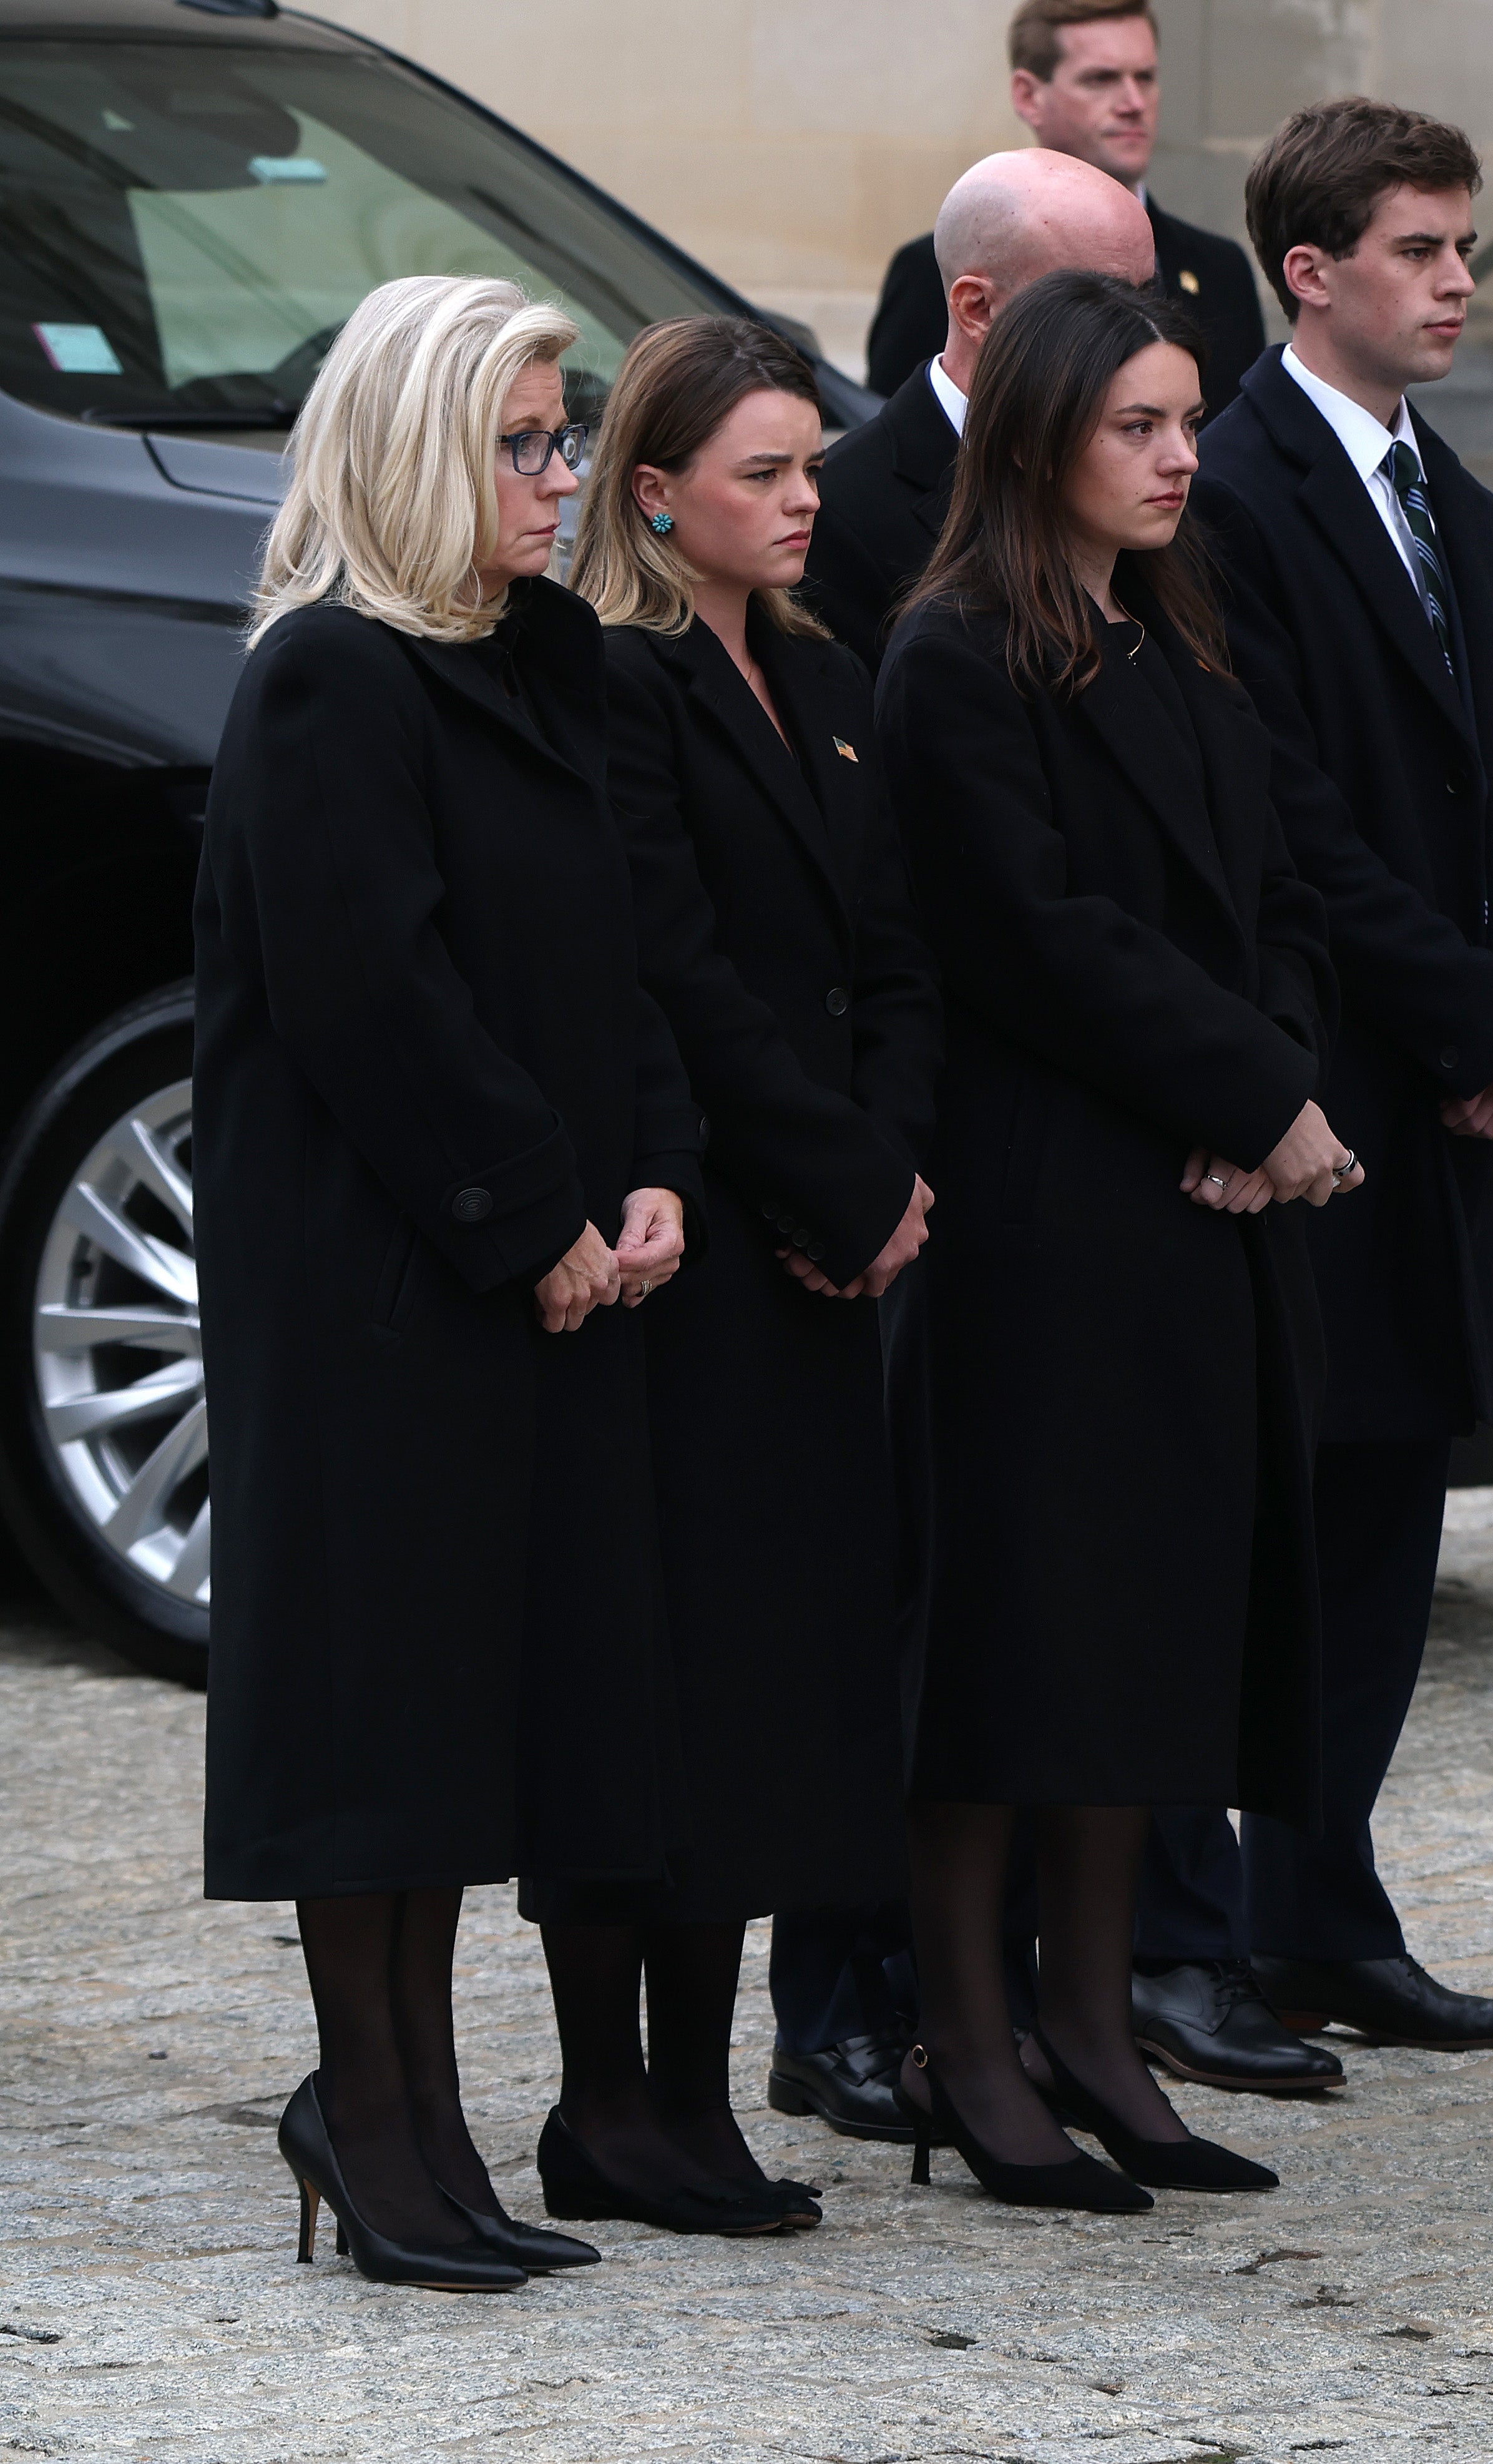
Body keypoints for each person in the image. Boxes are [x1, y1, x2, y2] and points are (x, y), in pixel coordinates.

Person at [196, 273, 695, 2289]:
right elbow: (368, 994)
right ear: (411, 445)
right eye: (524, 440)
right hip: (377, 1273)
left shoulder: (546, 655)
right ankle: (372, 2111)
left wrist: (655, 1170)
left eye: (566, 435)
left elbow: (624, 947)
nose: (564, 475)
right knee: (376, 1713)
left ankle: (423, 2117)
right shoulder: (332, 677)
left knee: (480, 1707)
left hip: (543, 1258)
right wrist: (533, 1214)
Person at [878, 267, 1349, 2212]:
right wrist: (1250, 1095)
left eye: (1186, 420)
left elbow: (1282, 892)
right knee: (1014, 1642)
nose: (1179, 456)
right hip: (1044, 1210)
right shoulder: (953, 656)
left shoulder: (1175, 630)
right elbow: (1034, 936)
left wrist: (1279, 1098)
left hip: (1191, 1206)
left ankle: (1093, 2020)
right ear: (1039, 437)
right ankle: (965, 2041)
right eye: (1138, 425)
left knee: (1139, 1638)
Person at [1149, 94, 1493, 2081]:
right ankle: (1182, 1924)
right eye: (1419, 247)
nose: (1459, 279)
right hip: (1309, 1091)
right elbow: (1288, 818)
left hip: (1441, 1102)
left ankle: (1326, 1898)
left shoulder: (1456, 505)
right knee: (1245, 1514)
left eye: (1463, 245)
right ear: (1309, 273)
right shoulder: (1224, 490)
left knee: (1391, 1501)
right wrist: (1467, 1017)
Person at [771, 144, 1154, 2136]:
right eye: (1109, 307)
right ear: (990, 316)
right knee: (903, 1589)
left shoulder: (1147, 548)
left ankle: (1039, 2000)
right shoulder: (839, 507)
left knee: (1048, 1602)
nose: (1153, 359)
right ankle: (846, 1994)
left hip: (1072, 1148)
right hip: (909, 1129)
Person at [549, 316, 944, 2234]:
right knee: (665, 1679)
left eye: (811, 468)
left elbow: (893, 948)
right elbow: (667, 963)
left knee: (780, 1676)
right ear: (656, 495)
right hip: (695, 1241)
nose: (806, 503)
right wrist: (824, 1171)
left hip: (820, 1238)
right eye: (763, 476)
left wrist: (880, 1171)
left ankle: (698, 2093)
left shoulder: (820, 665)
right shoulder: (616, 682)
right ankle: (604, 2099)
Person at [802, 147, 1158, 672]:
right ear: (978, 309)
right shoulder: (839, 515)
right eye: (1097, 303)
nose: (1143, 333)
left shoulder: (1161, 466)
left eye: (1147, 297)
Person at [861, 0, 1263, 411]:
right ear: (1028, 95)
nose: (1133, 103)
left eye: (1145, 77)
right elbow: (904, 446)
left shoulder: (1221, 270)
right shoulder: (934, 273)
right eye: (1101, 79)